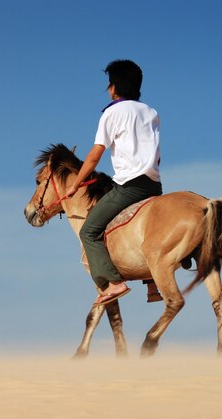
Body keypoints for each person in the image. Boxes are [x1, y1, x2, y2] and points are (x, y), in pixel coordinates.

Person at [65, 59, 163, 307]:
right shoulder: (151, 112)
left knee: (89, 230)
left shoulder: (111, 113)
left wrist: (76, 184)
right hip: (154, 185)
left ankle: (112, 282)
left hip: (129, 186)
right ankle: (152, 286)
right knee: (148, 232)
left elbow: (95, 155)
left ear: (113, 88)